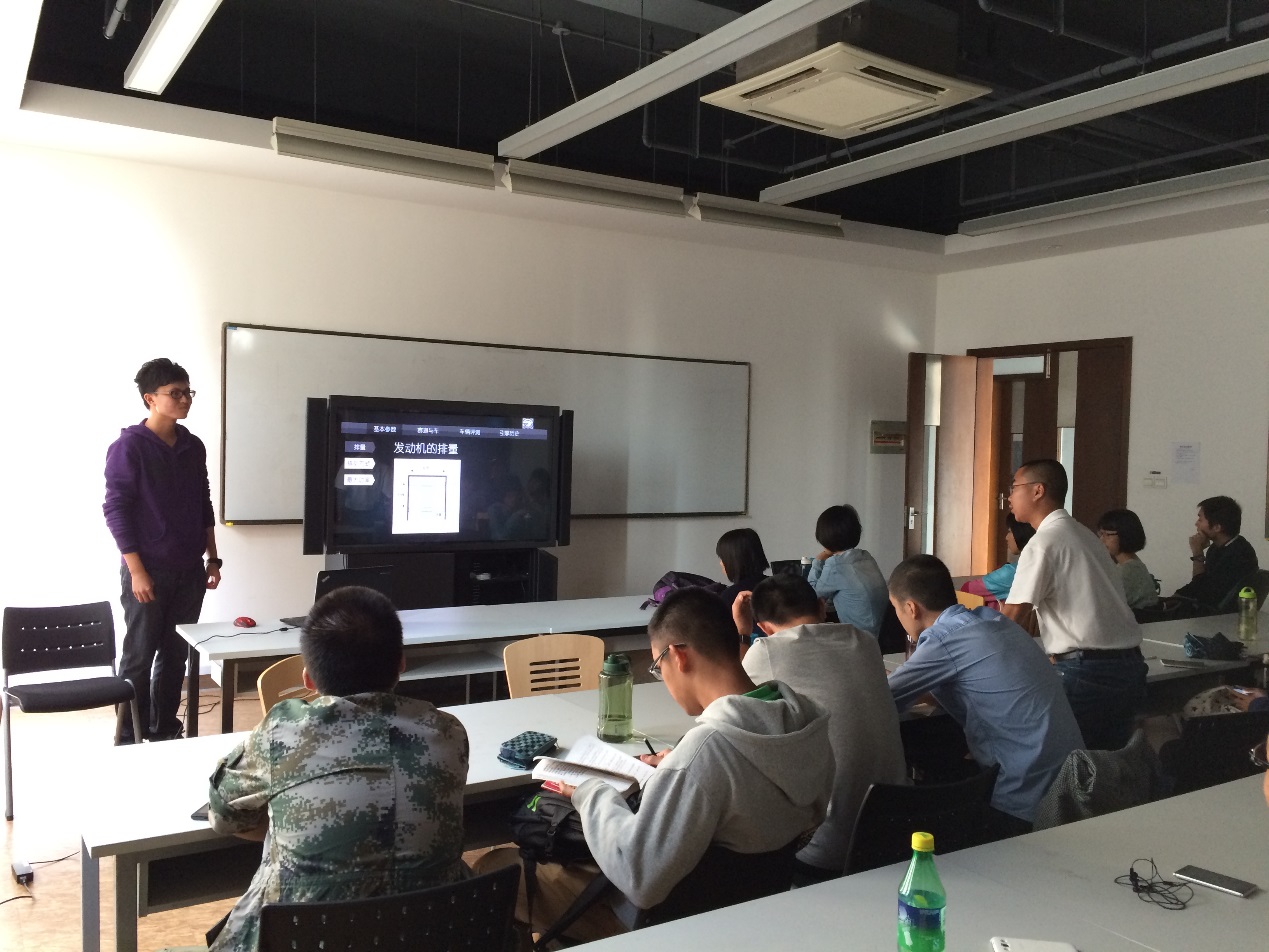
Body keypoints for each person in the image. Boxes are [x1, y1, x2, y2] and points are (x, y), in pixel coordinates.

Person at [476, 587, 833, 943]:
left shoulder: (705, 752)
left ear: (678, 656)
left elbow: (639, 878)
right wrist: (675, 768)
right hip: (746, 914)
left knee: (494, 869)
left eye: (658, 667)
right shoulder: (803, 721)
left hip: (661, 925)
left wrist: (591, 792)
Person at [206, 586, 469, 952]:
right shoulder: (448, 733)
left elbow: (223, 816)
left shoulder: (283, 733)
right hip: (426, 937)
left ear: (308, 680)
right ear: (401, 663)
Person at [888, 555, 1084, 834]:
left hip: (1024, 797)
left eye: (895, 608)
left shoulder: (944, 638)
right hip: (1071, 782)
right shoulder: (993, 620)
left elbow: (883, 698)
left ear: (911, 608)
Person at [733, 574, 907, 881]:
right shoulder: (865, 642)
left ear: (764, 628)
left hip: (826, 849)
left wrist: (742, 634)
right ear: (822, 606)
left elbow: (730, 702)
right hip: (897, 829)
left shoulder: (767, 651)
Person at [103, 358, 220, 743]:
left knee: (175, 656)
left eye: (188, 392)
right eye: (176, 393)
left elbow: (203, 503)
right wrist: (137, 571)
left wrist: (212, 558)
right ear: (150, 398)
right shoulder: (129, 447)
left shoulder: (192, 446)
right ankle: (127, 736)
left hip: (189, 571)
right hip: (148, 570)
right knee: (139, 656)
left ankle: (165, 729)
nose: (185, 399)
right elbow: (116, 510)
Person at [1001, 459, 1146, 751]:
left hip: (1086, 673)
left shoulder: (1043, 543)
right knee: (1110, 762)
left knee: (1071, 765)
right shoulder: (1085, 535)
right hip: (1128, 666)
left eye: (1014, 487)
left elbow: (1011, 618)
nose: (1009, 497)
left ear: (1037, 491)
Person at [807, 504, 888, 636]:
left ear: (825, 536)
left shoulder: (837, 564)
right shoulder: (865, 557)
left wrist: (819, 560)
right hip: (878, 633)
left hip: (858, 637)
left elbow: (812, 596)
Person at [1174, 496, 1259, 610]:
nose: (1196, 524)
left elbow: (1204, 593)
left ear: (1217, 527)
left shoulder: (1239, 554)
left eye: (1200, 519)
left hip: (1219, 616)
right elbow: (1200, 584)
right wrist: (1175, 597)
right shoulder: (1218, 548)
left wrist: (1197, 553)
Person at [960, 514, 1035, 609]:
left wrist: (996, 575)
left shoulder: (1011, 572)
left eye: (1010, 531)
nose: (1006, 537)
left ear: (1021, 532)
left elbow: (967, 590)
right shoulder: (1034, 565)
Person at [1096, 509, 1160, 610]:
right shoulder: (1128, 565)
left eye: (1107, 534)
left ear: (1125, 534)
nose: (1101, 539)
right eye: (1101, 534)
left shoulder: (1129, 570)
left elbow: (1102, 606)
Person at [715, 526, 770, 612]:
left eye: (722, 558)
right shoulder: (777, 587)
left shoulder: (730, 597)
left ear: (733, 560)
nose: (721, 563)